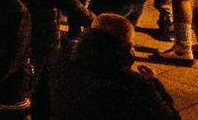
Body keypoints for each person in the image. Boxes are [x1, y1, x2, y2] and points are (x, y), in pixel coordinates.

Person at [48, 13, 177, 120]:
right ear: (124, 47)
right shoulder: (133, 84)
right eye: (132, 45)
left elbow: (40, 104)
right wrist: (155, 82)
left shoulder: (58, 62)